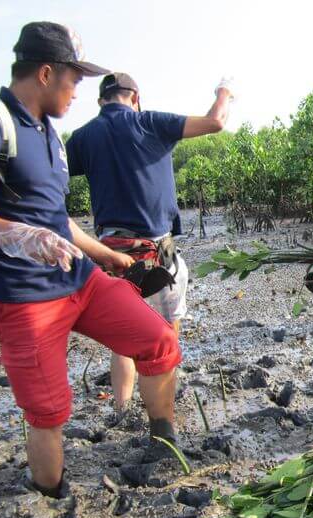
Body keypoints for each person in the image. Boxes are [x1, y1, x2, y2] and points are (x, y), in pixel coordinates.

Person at [0, 22, 181, 496]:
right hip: (22, 297)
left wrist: (108, 255)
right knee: (49, 410)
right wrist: (18, 234)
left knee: (158, 340)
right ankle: (49, 495)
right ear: (47, 74)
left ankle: (163, 445)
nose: (78, 93)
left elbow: (58, 221)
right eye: (75, 80)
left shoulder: (51, 135)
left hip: (81, 281)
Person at [66, 72, 233, 420]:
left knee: (124, 337)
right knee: (167, 330)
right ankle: (162, 406)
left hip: (111, 250)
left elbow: (52, 172)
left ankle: (123, 409)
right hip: (157, 251)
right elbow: (216, 122)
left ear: (101, 103)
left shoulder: (83, 137)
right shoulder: (151, 122)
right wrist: (224, 91)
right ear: (136, 97)